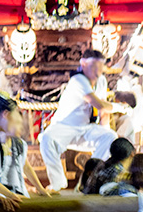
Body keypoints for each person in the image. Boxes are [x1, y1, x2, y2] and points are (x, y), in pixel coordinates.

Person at [39, 49, 119, 191]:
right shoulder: (78, 80)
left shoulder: (101, 81)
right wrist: (121, 107)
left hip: (85, 128)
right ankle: (57, 183)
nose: (97, 71)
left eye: (100, 67)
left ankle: (91, 178)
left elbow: (103, 111)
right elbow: (98, 104)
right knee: (46, 138)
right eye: (94, 66)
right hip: (63, 127)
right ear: (83, 64)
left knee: (111, 136)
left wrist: (103, 134)